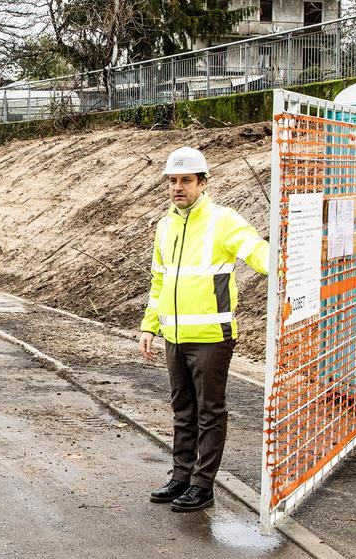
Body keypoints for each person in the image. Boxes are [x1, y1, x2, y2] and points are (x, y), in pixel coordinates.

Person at [138, 146, 269, 512]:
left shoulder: (222, 220)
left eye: (186, 180)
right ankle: (181, 476)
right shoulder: (165, 226)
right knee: (183, 409)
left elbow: (255, 250)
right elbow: (158, 283)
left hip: (212, 337)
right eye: (172, 181)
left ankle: (202, 484)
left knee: (210, 412)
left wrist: (283, 263)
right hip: (174, 336)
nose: (178, 187)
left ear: (202, 183)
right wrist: (150, 327)